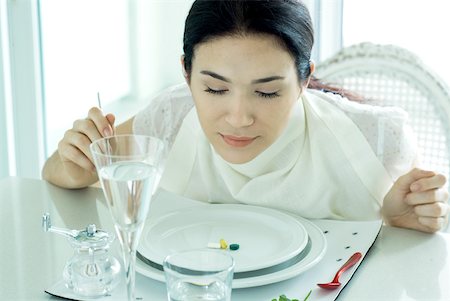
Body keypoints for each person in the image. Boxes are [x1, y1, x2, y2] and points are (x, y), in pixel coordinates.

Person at [42, 0, 449, 233]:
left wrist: (398, 223)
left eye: (267, 92)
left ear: (305, 79)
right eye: (215, 89)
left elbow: (417, 248)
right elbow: (61, 174)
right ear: (186, 73)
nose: (238, 118)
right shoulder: (170, 116)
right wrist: (72, 165)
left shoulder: (377, 138)